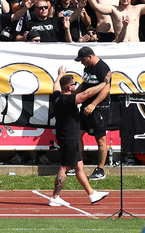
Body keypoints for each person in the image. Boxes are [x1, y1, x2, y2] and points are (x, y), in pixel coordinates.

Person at [48, 66, 110, 207]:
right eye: (74, 84)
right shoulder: (67, 100)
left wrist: (60, 75)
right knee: (64, 167)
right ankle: (55, 197)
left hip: (69, 137)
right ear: (69, 87)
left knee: (79, 167)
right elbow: (87, 93)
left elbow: (56, 85)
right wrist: (104, 83)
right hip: (69, 138)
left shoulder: (57, 96)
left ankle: (92, 194)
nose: (76, 86)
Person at [75, 45, 112, 180]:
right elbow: (84, 83)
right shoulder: (87, 67)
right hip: (86, 106)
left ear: (89, 56)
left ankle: (100, 170)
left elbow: (106, 88)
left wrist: (93, 104)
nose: (82, 63)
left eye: (83, 60)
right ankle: (77, 164)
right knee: (77, 134)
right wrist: (74, 95)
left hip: (99, 108)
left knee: (100, 138)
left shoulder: (102, 68)